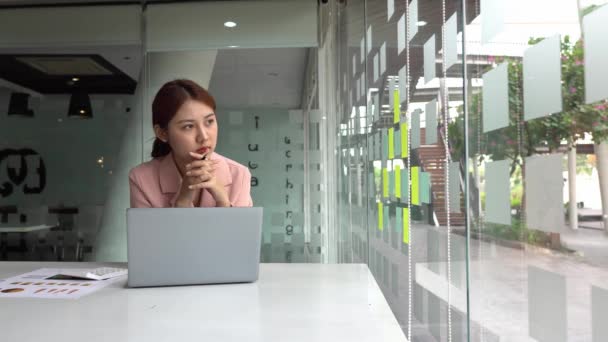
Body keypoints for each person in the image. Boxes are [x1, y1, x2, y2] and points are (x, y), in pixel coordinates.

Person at [129, 79, 252, 208]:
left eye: (209, 121)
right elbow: (149, 229)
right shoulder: (141, 178)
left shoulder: (239, 175)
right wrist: (183, 200)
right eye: (188, 126)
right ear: (162, 133)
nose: (204, 137)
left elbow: (242, 229)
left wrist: (223, 202)